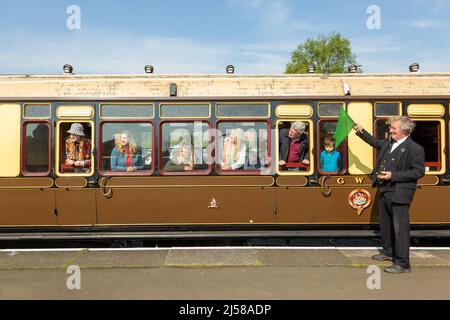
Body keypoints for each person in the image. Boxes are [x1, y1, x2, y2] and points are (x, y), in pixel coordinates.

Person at [354, 116, 425, 274]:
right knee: (386, 225)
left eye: (394, 128)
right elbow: (373, 141)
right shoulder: (388, 143)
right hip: (385, 190)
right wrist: (360, 131)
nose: (390, 130)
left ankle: (402, 263)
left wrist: (393, 176)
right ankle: (388, 252)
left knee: (400, 229)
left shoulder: (415, 148)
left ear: (404, 131)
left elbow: (418, 172)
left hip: (400, 192)